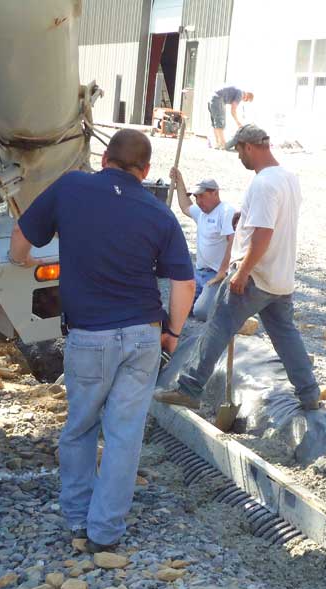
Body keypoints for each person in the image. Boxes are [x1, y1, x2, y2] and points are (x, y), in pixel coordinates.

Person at [10, 129, 195, 553]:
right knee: (124, 436)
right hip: (142, 336)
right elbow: (184, 285)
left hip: (89, 337)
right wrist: (172, 334)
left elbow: (21, 238)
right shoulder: (158, 213)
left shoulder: (72, 186)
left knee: (80, 429)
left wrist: (23, 260)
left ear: (104, 157)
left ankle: (77, 519)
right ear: (146, 170)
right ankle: (104, 533)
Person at [155, 124, 320, 411]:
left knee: (218, 327)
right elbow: (273, 219)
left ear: (248, 146)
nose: (238, 157)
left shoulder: (263, 183)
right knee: (285, 335)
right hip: (280, 276)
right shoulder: (288, 178)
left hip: (255, 275)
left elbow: (264, 234)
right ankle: (309, 393)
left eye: (238, 150)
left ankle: (189, 388)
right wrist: (245, 218)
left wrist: (242, 271)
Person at [168, 168, 236, 321]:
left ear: (215, 193)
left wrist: (222, 271)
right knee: (180, 309)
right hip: (199, 273)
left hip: (216, 274)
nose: (199, 202)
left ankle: (228, 303)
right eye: (196, 197)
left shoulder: (226, 211)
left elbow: (233, 241)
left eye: (202, 197)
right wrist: (179, 181)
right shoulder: (201, 211)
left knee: (201, 312)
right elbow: (186, 207)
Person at [208, 85, 253, 150]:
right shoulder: (240, 94)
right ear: (246, 96)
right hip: (218, 98)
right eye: (246, 100)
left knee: (215, 122)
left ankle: (217, 143)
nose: (243, 101)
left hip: (211, 98)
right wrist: (238, 122)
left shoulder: (237, 90)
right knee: (220, 122)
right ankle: (223, 144)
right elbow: (233, 110)